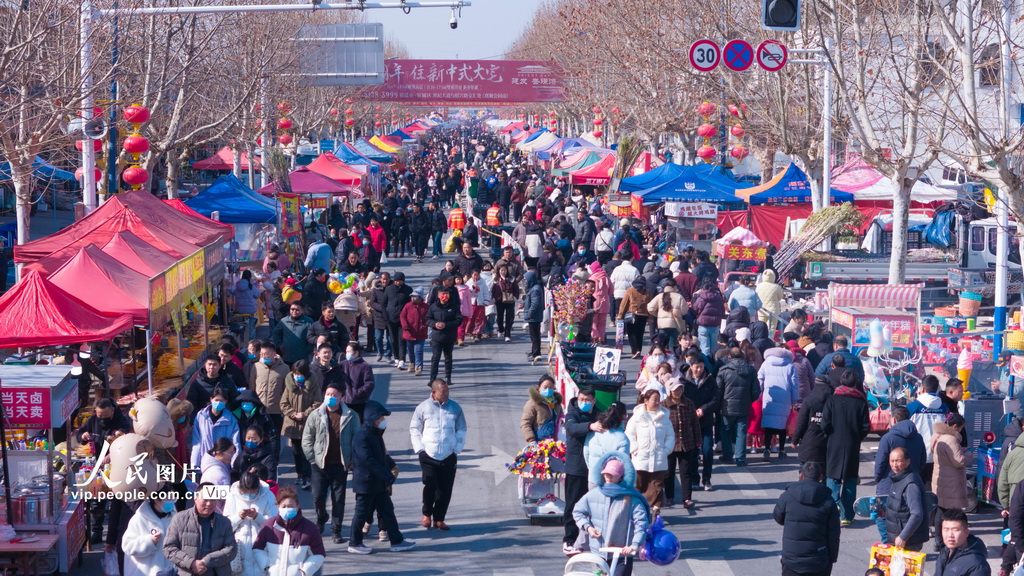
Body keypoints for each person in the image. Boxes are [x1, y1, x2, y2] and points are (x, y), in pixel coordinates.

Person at [347, 400, 416, 554]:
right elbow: (368, 460)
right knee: (361, 513)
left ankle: (397, 540)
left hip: (377, 483)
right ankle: (355, 542)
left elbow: (382, 454)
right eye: (381, 418)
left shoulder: (375, 433)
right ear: (372, 418)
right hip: (366, 483)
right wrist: (387, 476)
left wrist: (390, 465)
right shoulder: (362, 436)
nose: (383, 421)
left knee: (387, 511)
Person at [572, 452, 651, 576]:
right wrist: (588, 527)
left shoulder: (631, 499)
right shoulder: (594, 494)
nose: (608, 476)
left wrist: (634, 544)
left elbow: (641, 523)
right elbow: (578, 511)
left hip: (622, 553)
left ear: (621, 477)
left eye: (612, 474)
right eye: (606, 473)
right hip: (598, 552)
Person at [302, 382, 358, 544]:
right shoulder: (316, 414)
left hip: (340, 464)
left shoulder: (351, 416)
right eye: (328, 394)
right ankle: (321, 517)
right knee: (317, 496)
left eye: (334, 395)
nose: (330, 398)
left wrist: (352, 461)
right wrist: (312, 458)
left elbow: (356, 439)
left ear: (341, 398)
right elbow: (307, 438)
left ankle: (336, 529)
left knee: (338, 498)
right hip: (319, 465)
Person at [410, 379, 467, 531]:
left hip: (449, 455)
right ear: (434, 393)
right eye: (443, 392)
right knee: (430, 485)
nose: (446, 394)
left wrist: (457, 449)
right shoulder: (423, 407)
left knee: (445, 489)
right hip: (429, 455)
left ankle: (439, 518)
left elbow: (461, 429)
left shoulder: (455, 408)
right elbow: (414, 429)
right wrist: (420, 450)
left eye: (447, 391)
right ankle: (426, 514)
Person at [773, 461, 841, 576]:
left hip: (792, 559)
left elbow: (778, 517)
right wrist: (832, 558)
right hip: (819, 560)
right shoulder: (829, 501)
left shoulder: (787, 495)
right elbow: (834, 534)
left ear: (801, 476)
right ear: (821, 477)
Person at [821, 371, 869, 526]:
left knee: (832, 477)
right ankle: (847, 515)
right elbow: (865, 427)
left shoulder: (832, 400)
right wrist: (857, 436)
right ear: (855, 384)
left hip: (834, 443)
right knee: (849, 480)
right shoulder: (861, 402)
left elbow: (825, 424)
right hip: (852, 445)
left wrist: (830, 434)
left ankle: (832, 509)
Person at [872, 405, 926, 542]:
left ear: (894, 420)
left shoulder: (888, 438)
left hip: (887, 486)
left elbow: (880, 463)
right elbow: (922, 461)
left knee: (883, 521)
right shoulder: (918, 437)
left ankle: (890, 550)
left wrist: (878, 478)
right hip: (910, 483)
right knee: (906, 519)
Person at [563, 387, 604, 556]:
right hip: (576, 467)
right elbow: (572, 429)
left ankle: (589, 540)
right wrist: (590, 426)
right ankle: (569, 540)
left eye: (588, 400)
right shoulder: (572, 413)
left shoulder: (600, 414)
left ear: (594, 400)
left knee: (594, 506)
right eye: (582, 399)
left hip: (595, 468)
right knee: (573, 504)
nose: (584, 403)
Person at [163, 485, 237, 576]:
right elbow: (169, 548)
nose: (209, 504)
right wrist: (191, 563)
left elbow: (231, 549)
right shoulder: (179, 519)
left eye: (213, 500)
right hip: (186, 572)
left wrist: (207, 560)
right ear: (195, 498)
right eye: (205, 500)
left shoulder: (224, 522)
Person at [252, 486, 326, 576]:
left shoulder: (310, 528)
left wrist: (304, 571)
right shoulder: (269, 525)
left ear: (297, 507)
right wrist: (266, 566)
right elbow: (258, 548)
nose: (287, 509)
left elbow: (318, 554)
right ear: (278, 506)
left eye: (290, 506)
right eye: (284, 506)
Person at [625, 384, 674, 514]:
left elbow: (670, 435)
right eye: (654, 399)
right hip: (640, 459)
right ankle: (640, 510)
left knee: (657, 486)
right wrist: (634, 448)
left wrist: (666, 450)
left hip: (659, 458)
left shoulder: (664, 417)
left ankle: (655, 512)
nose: (657, 402)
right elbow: (629, 434)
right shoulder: (637, 417)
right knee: (640, 486)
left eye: (658, 399)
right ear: (646, 401)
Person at [223, 466, 278, 576]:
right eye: (245, 492)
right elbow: (226, 526)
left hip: (263, 545)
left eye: (253, 492)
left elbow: (275, 523)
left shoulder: (268, 495)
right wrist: (239, 517)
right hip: (240, 547)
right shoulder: (232, 496)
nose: (249, 496)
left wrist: (258, 517)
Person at [717, 347, 760, 466]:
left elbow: (718, 390)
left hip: (727, 406)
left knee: (726, 431)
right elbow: (756, 390)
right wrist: (751, 400)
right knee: (741, 432)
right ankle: (740, 458)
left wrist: (718, 404)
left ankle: (727, 456)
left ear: (729, 357)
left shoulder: (724, 370)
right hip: (744, 405)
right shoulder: (751, 370)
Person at [682, 350, 718, 490]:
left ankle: (707, 479)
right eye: (696, 367)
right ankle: (694, 479)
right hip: (690, 422)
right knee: (692, 452)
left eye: (701, 367)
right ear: (691, 366)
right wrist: (691, 411)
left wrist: (704, 409)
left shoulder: (710, 381)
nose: (699, 370)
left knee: (707, 450)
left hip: (706, 421)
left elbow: (715, 399)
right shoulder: (684, 381)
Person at [932, 414, 968, 550]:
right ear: (954, 427)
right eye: (960, 428)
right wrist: (969, 454)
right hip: (951, 480)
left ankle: (937, 539)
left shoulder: (937, 435)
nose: (960, 431)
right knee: (954, 513)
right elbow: (959, 461)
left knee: (940, 509)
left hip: (939, 478)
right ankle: (957, 540)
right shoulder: (951, 439)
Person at [885, 446, 930, 551]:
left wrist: (903, 536)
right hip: (899, 537)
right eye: (892, 461)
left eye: (898, 461)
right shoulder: (899, 477)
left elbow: (917, 514)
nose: (894, 465)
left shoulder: (910, 483)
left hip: (908, 541)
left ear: (908, 461)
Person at [665, 378, 701, 509]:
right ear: (670, 391)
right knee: (669, 473)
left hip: (686, 443)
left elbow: (694, 423)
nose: (678, 392)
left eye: (680, 388)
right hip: (669, 445)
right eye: (675, 389)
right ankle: (669, 497)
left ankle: (687, 499)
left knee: (686, 472)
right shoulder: (664, 405)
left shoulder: (689, 403)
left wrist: (698, 441)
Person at [759, 346, 800, 461]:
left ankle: (767, 449)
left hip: (769, 397)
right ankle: (781, 450)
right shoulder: (790, 366)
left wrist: (759, 394)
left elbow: (760, 379)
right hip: (784, 398)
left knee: (768, 424)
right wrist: (794, 400)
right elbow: (794, 385)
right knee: (782, 425)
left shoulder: (766, 364)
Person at [121, 492, 177, 576]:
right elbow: (127, 546)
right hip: (144, 572)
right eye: (168, 499)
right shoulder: (139, 519)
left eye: (173, 498)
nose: (172, 501)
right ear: (156, 500)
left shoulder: (175, 518)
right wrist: (149, 541)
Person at [908, 374, 952, 479]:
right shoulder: (945, 408)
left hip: (917, 455)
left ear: (922, 388)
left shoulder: (912, 408)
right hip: (938, 456)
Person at [190, 389, 240, 470]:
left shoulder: (231, 420)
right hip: (205, 462)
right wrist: (194, 464)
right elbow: (196, 442)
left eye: (221, 401)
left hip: (223, 464)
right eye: (216, 400)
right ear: (211, 399)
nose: (218, 403)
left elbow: (235, 444)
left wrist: (234, 464)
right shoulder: (201, 416)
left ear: (226, 402)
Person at [250, 341, 289, 441]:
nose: (263, 356)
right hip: (260, 409)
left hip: (276, 409)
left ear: (273, 353)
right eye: (261, 354)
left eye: (266, 354)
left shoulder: (284, 368)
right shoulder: (256, 366)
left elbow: (286, 390)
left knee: (275, 438)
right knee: (259, 437)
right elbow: (252, 387)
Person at [584, 402, 631, 483]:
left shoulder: (595, 429)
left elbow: (586, 452)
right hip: (612, 482)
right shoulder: (623, 438)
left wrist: (592, 469)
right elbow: (623, 463)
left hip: (593, 479)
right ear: (623, 417)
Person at [793, 376, 833, 466]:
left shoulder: (809, 400)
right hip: (827, 443)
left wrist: (795, 439)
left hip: (809, 442)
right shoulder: (833, 400)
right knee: (824, 474)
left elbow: (801, 422)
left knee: (805, 473)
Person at [935, 509, 989, 575]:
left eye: (955, 530)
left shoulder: (977, 565)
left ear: (966, 532)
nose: (950, 535)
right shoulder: (945, 552)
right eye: (946, 530)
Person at [427, 285, 462, 384]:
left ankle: (448, 377)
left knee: (448, 357)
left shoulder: (454, 307)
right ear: (438, 295)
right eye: (443, 294)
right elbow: (428, 319)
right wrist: (434, 324)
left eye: (447, 294)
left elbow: (459, 320)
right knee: (435, 358)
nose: (445, 296)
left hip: (449, 336)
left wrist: (446, 325)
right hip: (436, 337)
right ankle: (432, 379)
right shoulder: (433, 307)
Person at [382, 271, 413, 370]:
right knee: (393, 340)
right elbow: (383, 304)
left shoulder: (408, 290)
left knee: (402, 340)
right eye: (396, 281)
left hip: (403, 319)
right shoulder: (389, 289)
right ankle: (396, 358)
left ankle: (402, 360)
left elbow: (410, 305)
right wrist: (386, 317)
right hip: (390, 319)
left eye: (400, 281)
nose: (398, 283)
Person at [521, 375, 564, 443]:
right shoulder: (532, 404)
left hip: (556, 443)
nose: (548, 389)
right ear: (539, 388)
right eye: (545, 387)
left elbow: (561, 420)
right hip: (538, 443)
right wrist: (531, 440)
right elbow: (525, 423)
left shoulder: (557, 403)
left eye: (550, 387)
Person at [339, 342, 375, 420]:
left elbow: (369, 384)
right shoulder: (344, 364)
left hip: (359, 402)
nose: (347, 354)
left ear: (356, 353)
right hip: (345, 401)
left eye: (349, 352)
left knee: (358, 424)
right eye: (346, 352)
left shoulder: (365, 366)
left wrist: (357, 393)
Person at [647, 278, 687, 347]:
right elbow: (685, 311)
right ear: (675, 286)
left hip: (662, 325)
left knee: (662, 344)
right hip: (675, 324)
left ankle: (663, 356)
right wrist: (679, 314)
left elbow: (650, 308)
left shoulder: (659, 296)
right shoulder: (679, 297)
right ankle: (672, 356)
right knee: (673, 344)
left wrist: (657, 314)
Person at [692, 281, 726, 357]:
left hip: (703, 324)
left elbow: (695, 308)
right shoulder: (718, 296)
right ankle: (714, 362)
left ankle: (706, 364)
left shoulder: (701, 296)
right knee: (714, 348)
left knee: (704, 348)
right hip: (715, 325)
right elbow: (722, 310)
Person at [401, 287, 430, 377]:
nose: (414, 298)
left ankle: (419, 366)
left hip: (420, 333)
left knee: (418, 350)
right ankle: (412, 363)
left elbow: (429, 317)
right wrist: (405, 326)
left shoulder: (426, 307)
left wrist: (425, 324)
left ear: (420, 297)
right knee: (410, 350)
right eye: (413, 296)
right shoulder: (407, 306)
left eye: (416, 296)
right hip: (409, 333)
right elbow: (403, 316)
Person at [522, 270, 545, 360]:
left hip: (534, 317)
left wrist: (529, 314)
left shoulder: (535, 290)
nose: (525, 282)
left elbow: (535, 304)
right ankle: (533, 351)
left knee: (535, 336)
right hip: (534, 317)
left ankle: (536, 353)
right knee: (533, 336)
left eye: (526, 280)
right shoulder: (533, 288)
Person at [234, 270, 260, 339]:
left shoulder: (237, 285)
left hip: (240, 310)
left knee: (242, 327)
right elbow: (257, 295)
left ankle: (243, 343)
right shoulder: (251, 285)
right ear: (250, 276)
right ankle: (251, 343)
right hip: (250, 310)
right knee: (251, 327)